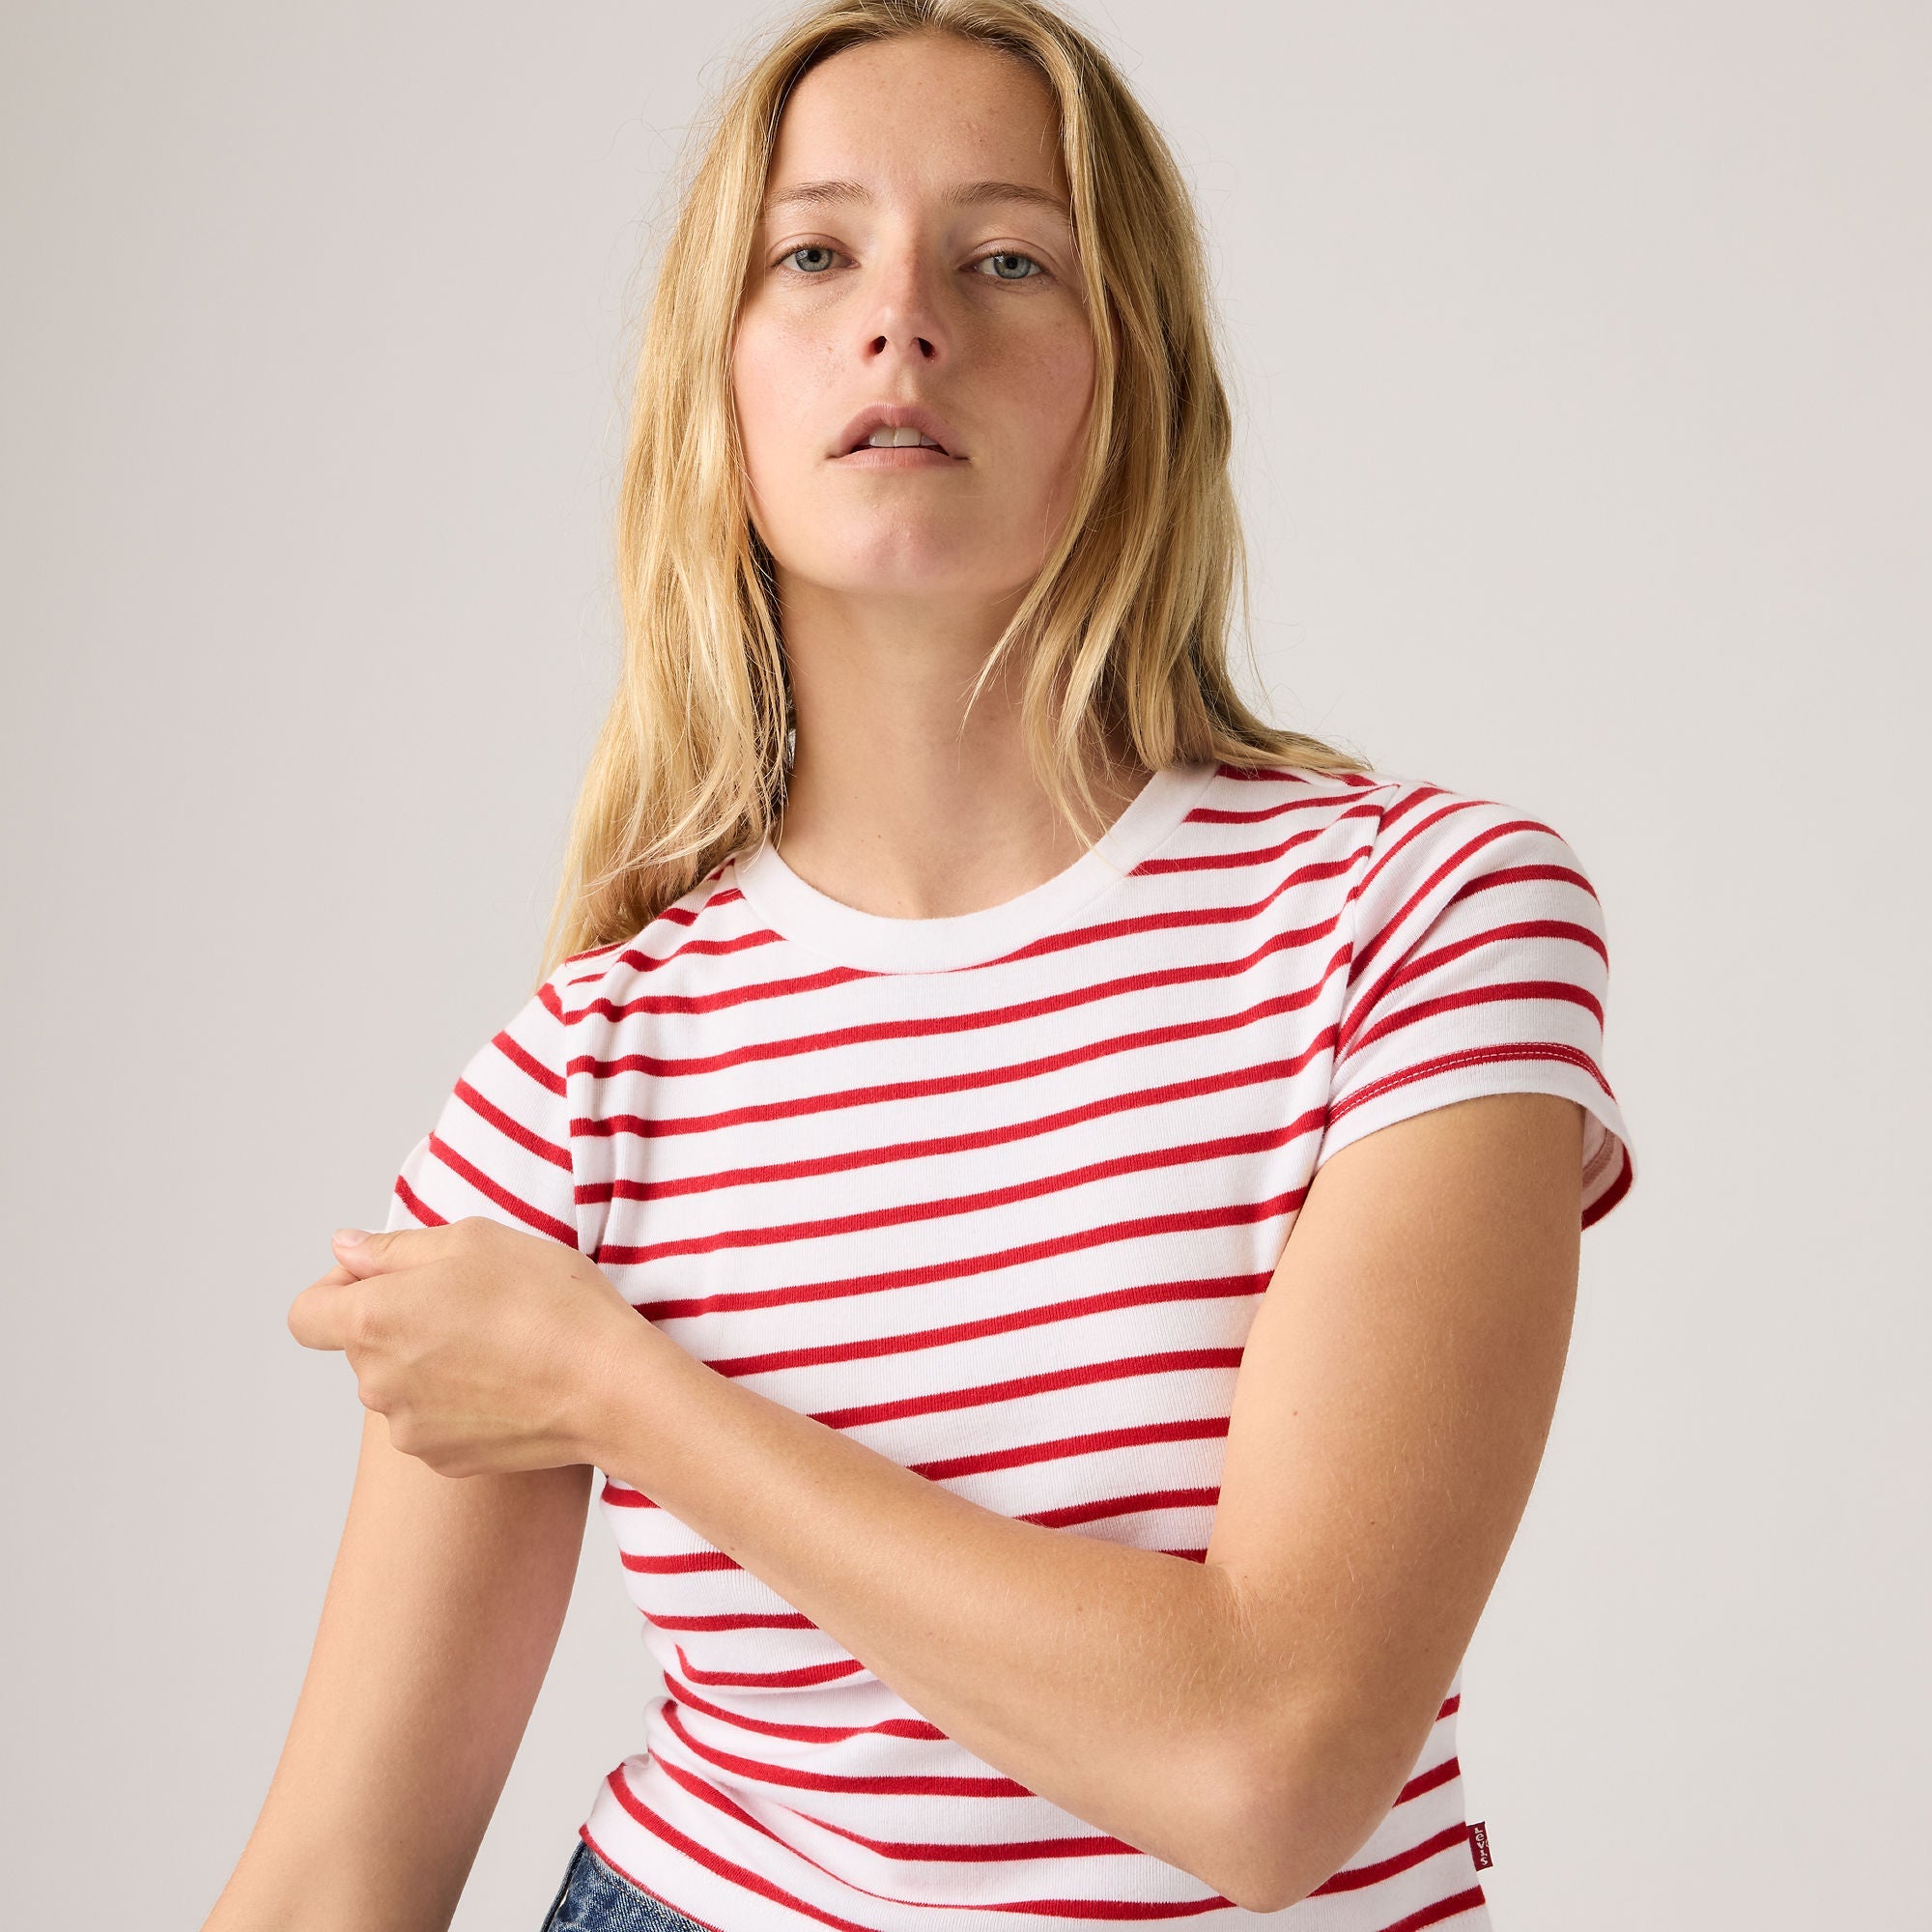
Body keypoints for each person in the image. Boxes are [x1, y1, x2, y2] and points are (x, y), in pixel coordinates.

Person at [205, 3, 1635, 1928]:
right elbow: (338, 1869)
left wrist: (618, 1388)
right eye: (814, 254)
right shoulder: (581, 1076)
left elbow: (1271, 1768)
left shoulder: (1418, 916)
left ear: (1132, 378)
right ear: (717, 383)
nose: (903, 321)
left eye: (1007, 259)